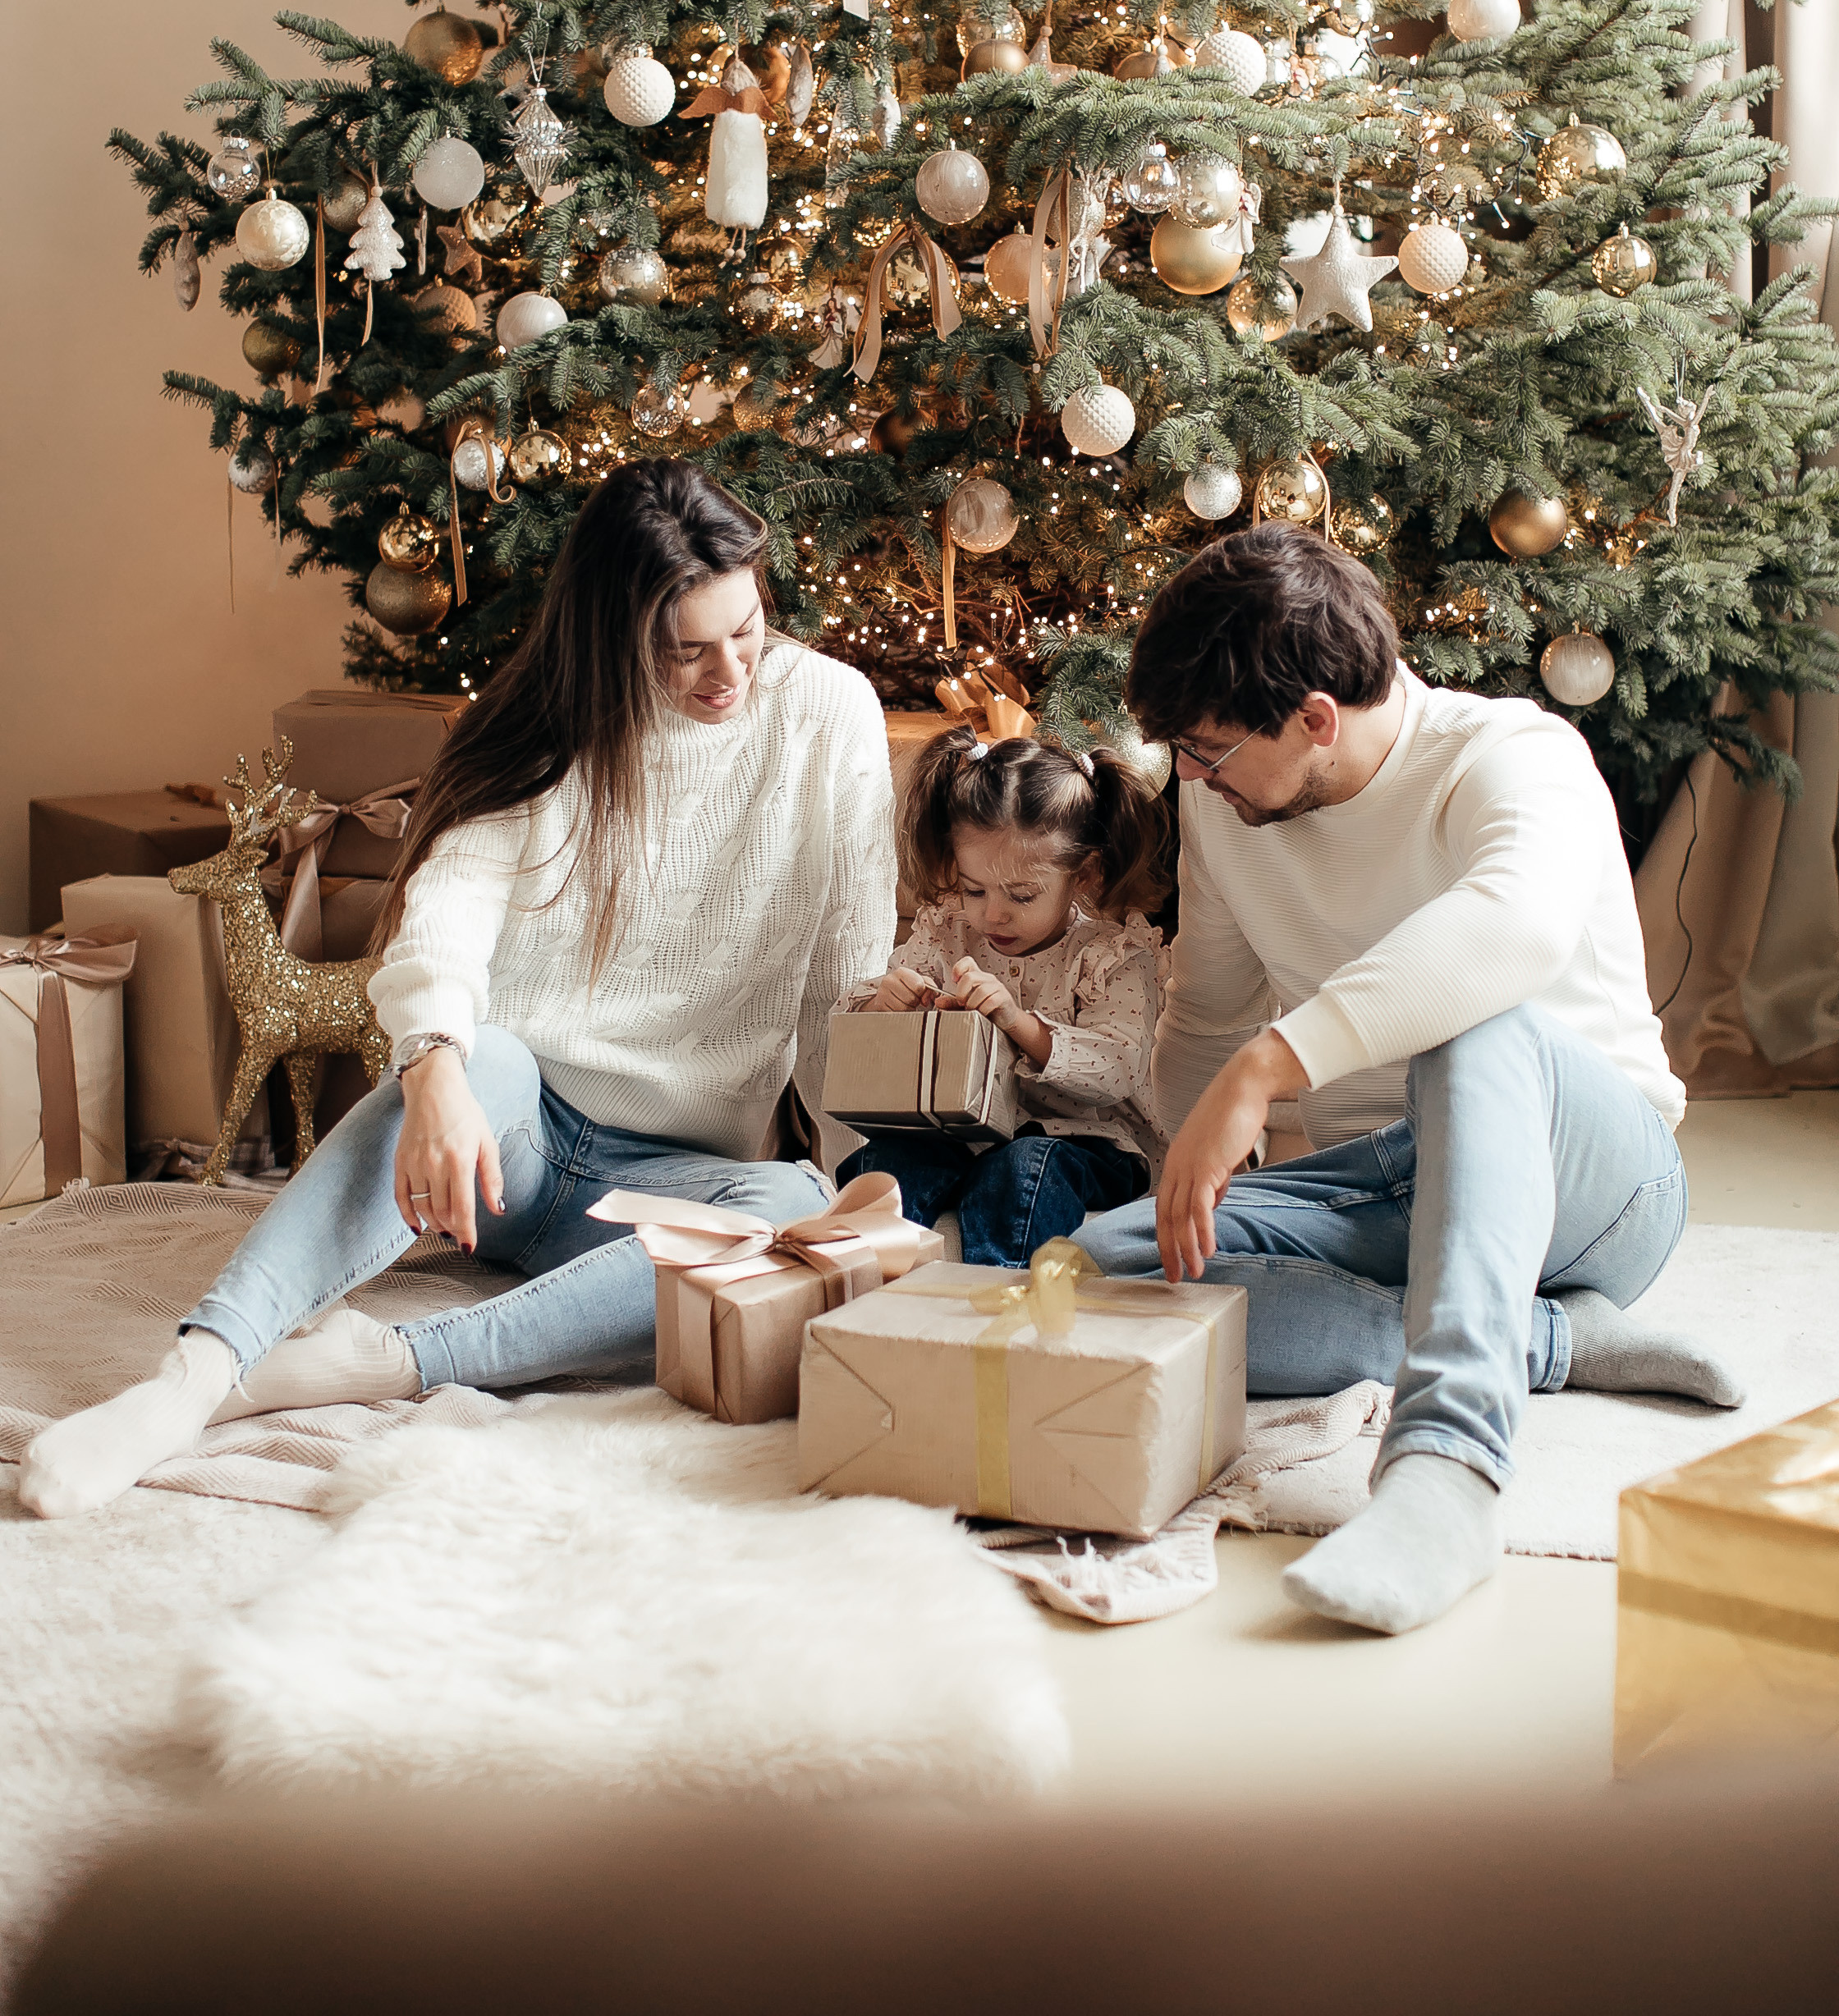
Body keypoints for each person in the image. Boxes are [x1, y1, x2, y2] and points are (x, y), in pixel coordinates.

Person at [22, 461, 894, 1519]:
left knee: (792, 1212)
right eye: (685, 651)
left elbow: (846, 978)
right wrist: (433, 1074)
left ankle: (382, 1361)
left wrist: (861, 1186)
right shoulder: (549, 727)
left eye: (747, 633)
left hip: (666, 1186)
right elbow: (445, 913)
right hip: (503, 1145)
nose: (728, 675)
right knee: (482, 1056)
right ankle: (192, 1379)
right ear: (614, 643)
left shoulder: (829, 715)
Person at [1078, 525, 1743, 1636]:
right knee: (1112, 1260)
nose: (1190, 777)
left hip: (1594, 1181)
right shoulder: (1226, 802)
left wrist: (1272, 1065)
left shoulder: (1514, 756)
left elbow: (1511, 933)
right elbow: (1209, 1013)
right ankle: (1551, 1344)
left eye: (1207, 750)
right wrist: (1182, 1163)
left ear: (1316, 719)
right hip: (1389, 1185)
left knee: (1475, 1029)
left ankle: (1446, 1472)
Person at [836, 725, 1169, 1266]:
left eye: (1021, 895)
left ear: (1083, 875)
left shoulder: (1111, 956)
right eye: (974, 889)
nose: (992, 913)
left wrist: (1017, 1022)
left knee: (1023, 1167)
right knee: (892, 1159)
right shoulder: (946, 932)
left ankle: (995, 1302)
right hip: (959, 1133)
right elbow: (861, 1018)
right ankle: (856, 1283)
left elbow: (1118, 1071)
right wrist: (885, 1002)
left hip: (1083, 1143)